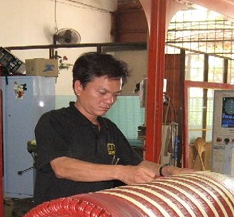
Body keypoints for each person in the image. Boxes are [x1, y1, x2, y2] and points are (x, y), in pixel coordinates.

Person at [33, 52, 190, 205]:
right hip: (58, 216)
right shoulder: (54, 121)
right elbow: (62, 167)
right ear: (78, 87)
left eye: (116, 95)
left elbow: (137, 163)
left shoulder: (108, 128)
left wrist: (168, 171)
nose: (110, 100)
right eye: (102, 92)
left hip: (97, 214)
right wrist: (120, 172)